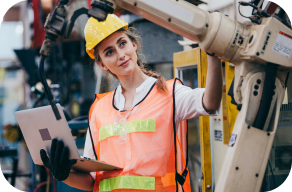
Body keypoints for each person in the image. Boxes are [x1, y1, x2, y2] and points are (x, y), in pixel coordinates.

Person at [40, 14, 222, 192]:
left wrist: (213, 53)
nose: (120, 55)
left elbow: (210, 102)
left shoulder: (170, 94)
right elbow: (91, 182)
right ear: (102, 64)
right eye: (109, 52)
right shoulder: (99, 110)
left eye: (122, 43)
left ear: (133, 44)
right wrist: (63, 174)